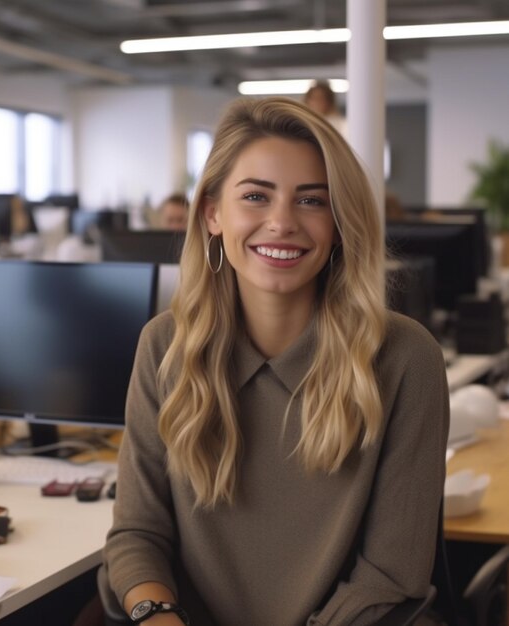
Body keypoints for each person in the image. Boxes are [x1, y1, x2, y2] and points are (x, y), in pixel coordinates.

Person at [98, 96, 449, 625]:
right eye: (256, 196)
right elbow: (138, 534)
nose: (282, 222)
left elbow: (391, 575)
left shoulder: (403, 357)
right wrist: (158, 615)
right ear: (213, 213)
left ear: (339, 222)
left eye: (312, 201)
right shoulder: (165, 346)